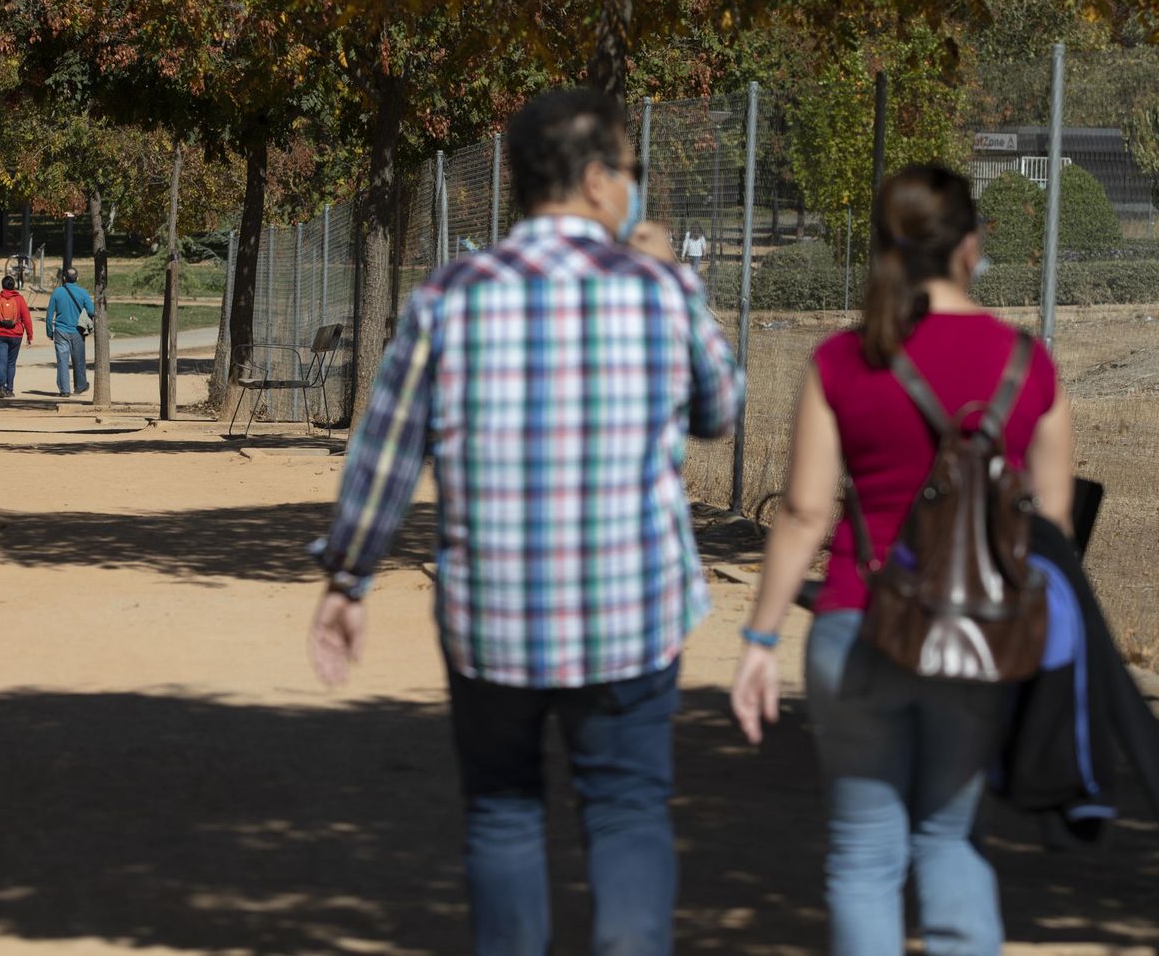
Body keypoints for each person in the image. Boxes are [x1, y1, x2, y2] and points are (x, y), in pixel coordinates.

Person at [308, 89, 744, 956]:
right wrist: (683, 287)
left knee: (503, 813)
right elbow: (720, 407)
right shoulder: (658, 289)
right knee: (626, 811)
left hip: (494, 615)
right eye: (629, 172)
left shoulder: (451, 297)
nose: (633, 190)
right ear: (592, 179)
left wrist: (348, 576)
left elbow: (387, 453)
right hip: (631, 611)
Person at [729, 164, 1073, 956]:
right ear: (971, 249)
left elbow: (807, 511)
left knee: (864, 856)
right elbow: (1051, 520)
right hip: (982, 633)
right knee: (951, 839)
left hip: (858, 622)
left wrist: (760, 637)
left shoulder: (844, 360)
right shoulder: (1029, 363)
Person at [45, 266, 96, 397]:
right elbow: (91, 311)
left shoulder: (57, 292)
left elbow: (50, 314)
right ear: (77, 278)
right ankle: (80, 386)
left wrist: (50, 331)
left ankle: (64, 390)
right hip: (77, 330)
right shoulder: (83, 292)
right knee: (78, 359)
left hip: (61, 330)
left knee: (62, 361)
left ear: (63, 278)